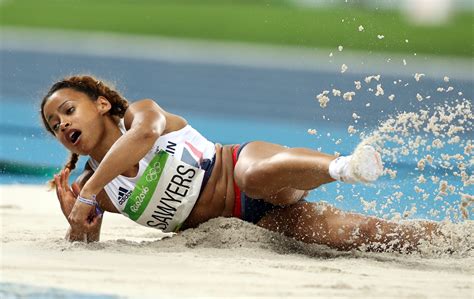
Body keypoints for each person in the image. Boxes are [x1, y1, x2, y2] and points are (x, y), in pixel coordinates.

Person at [41, 75, 438, 252]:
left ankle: (344, 167)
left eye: (68, 110)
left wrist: (88, 192)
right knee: (359, 233)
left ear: (102, 104)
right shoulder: (102, 190)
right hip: (250, 224)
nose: (63, 124)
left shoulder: (140, 115)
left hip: (237, 165)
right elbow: (88, 251)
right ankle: (447, 242)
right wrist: (78, 225)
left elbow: (144, 137)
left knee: (255, 177)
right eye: (55, 125)